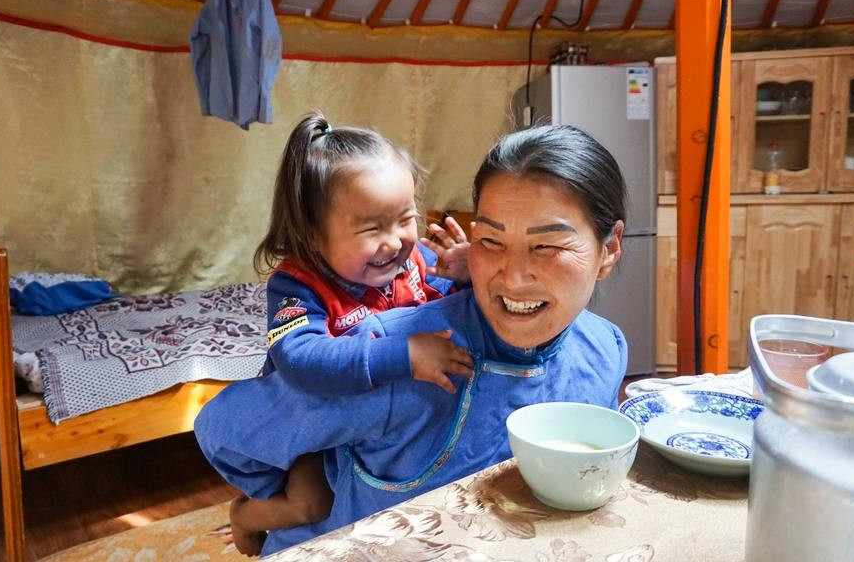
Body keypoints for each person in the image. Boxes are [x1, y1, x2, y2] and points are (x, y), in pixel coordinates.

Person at [196, 124, 628, 557]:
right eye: (492, 241)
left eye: (547, 246)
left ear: (610, 249)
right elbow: (226, 425)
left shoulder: (606, 348)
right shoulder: (388, 351)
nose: (512, 277)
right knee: (309, 500)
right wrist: (269, 494)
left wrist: (460, 268)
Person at [230, 113, 475, 555]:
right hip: (317, 416)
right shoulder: (297, 285)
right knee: (311, 504)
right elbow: (300, 358)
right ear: (312, 234)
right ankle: (244, 516)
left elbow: (444, 305)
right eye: (371, 229)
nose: (396, 241)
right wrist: (402, 355)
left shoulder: (412, 260)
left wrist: (464, 275)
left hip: (377, 419)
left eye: (405, 219)